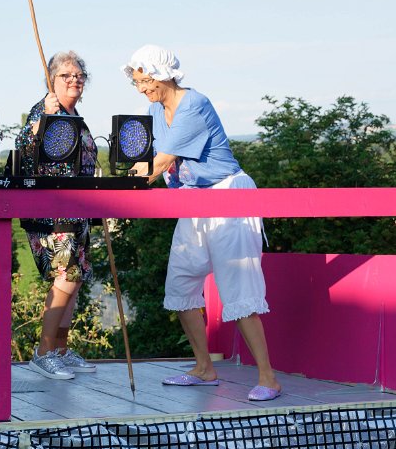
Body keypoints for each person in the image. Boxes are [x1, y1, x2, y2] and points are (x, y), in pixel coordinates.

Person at [122, 44, 282, 401]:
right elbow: (152, 158)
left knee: (239, 288)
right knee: (181, 283)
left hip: (228, 193)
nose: (142, 88)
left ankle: (268, 378)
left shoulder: (194, 105)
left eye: (146, 80)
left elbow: (161, 162)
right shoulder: (154, 109)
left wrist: (118, 189)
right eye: (137, 82)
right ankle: (204, 368)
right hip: (193, 198)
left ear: (163, 74)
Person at [16, 50, 99, 380]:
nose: (75, 80)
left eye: (79, 75)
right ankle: (43, 352)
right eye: (67, 75)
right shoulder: (45, 109)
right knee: (65, 276)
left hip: (78, 210)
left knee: (74, 280)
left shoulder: (76, 115)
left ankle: (61, 350)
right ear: (51, 80)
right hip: (49, 210)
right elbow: (23, 147)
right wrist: (43, 121)